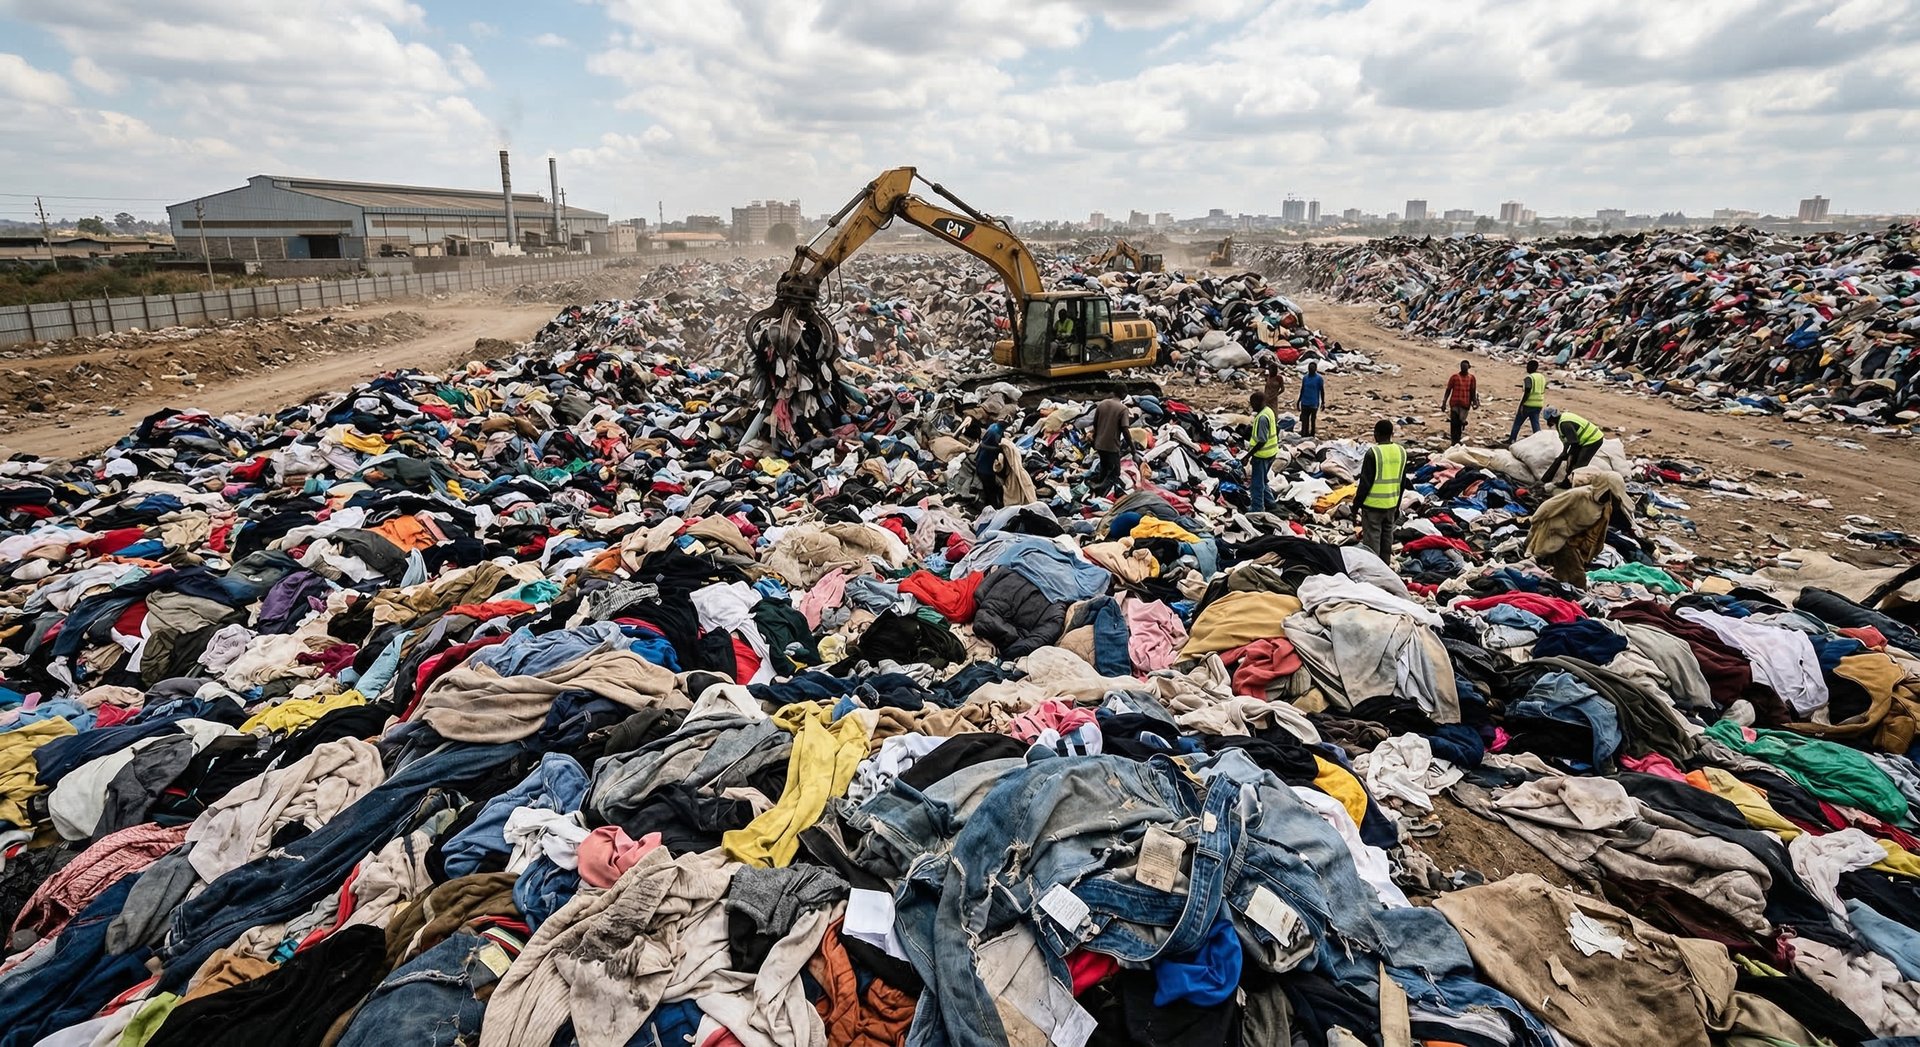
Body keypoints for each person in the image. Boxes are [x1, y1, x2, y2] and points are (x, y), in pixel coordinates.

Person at [1354, 419, 1405, 562]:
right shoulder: (1400, 451)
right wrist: (1397, 505)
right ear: (1391, 434)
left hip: (1373, 506)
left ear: (1376, 434)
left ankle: (1374, 574)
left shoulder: (1373, 453)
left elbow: (1365, 484)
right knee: (1386, 542)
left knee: (1372, 544)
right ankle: (1385, 571)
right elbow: (1402, 482)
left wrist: (1356, 505)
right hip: (1391, 505)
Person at [1539, 407, 1604, 487]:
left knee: (1579, 465)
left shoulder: (1565, 424)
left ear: (1551, 418)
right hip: (1583, 440)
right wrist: (1564, 452)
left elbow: (1574, 443)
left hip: (1592, 440)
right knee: (1566, 461)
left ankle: (1570, 485)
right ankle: (1562, 482)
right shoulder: (1562, 420)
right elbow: (1568, 440)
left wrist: (1570, 456)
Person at [1088, 393, 1129, 496]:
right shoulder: (1122, 409)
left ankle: (1099, 493)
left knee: (1104, 469)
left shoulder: (1102, 404)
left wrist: (1095, 439)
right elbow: (1125, 430)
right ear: (1123, 394)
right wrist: (1132, 448)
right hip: (1112, 446)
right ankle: (1099, 489)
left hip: (1100, 444)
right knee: (1115, 473)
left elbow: (1095, 424)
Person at [1247, 392, 1278, 513]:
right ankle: (1270, 503)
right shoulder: (1268, 411)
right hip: (1271, 453)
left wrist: (1248, 455)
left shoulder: (1262, 418)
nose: (1251, 405)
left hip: (1262, 456)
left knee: (1257, 484)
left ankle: (1257, 509)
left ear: (1259, 402)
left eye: (1253, 403)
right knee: (1263, 480)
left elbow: (1262, 440)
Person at [1508, 360, 1547, 443]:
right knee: (1535, 424)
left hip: (1528, 404)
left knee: (1518, 422)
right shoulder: (1542, 377)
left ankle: (1512, 439)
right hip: (1539, 404)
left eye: (1528, 366)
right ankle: (1539, 441)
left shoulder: (1529, 378)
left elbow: (1527, 391)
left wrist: (1522, 404)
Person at [1441, 359, 1479, 445]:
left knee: (1460, 423)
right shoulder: (1454, 377)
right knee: (1454, 422)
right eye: (1462, 367)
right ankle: (1454, 441)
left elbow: (1472, 391)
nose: (1464, 368)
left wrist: (1474, 402)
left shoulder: (1471, 378)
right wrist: (1444, 402)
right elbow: (1448, 390)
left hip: (1465, 404)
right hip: (1455, 402)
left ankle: (1457, 439)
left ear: (1468, 367)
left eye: (1465, 367)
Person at [973, 423, 1004, 506]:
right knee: (990, 490)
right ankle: (993, 506)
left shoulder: (993, 427)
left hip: (981, 464)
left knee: (988, 489)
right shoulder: (996, 433)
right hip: (987, 469)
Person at [1297, 360, 1324, 437]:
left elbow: (1321, 390)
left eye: (1312, 368)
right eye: (1310, 368)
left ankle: (1312, 434)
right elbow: (1302, 389)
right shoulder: (1305, 378)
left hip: (1313, 403)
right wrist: (1299, 400)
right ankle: (1304, 434)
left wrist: (1323, 402)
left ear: (1315, 369)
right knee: (1304, 420)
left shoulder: (1319, 379)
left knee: (1312, 420)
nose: (1311, 369)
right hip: (1305, 402)